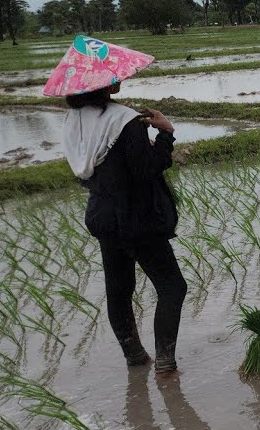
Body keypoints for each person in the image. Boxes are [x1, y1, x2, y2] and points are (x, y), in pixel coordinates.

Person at [43, 36, 187, 375]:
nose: (119, 77)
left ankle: (135, 358)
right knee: (172, 286)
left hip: (102, 216)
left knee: (119, 289)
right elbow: (146, 170)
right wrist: (166, 134)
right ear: (101, 82)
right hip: (136, 217)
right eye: (112, 73)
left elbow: (88, 172)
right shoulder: (124, 121)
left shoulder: (74, 123)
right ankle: (165, 362)